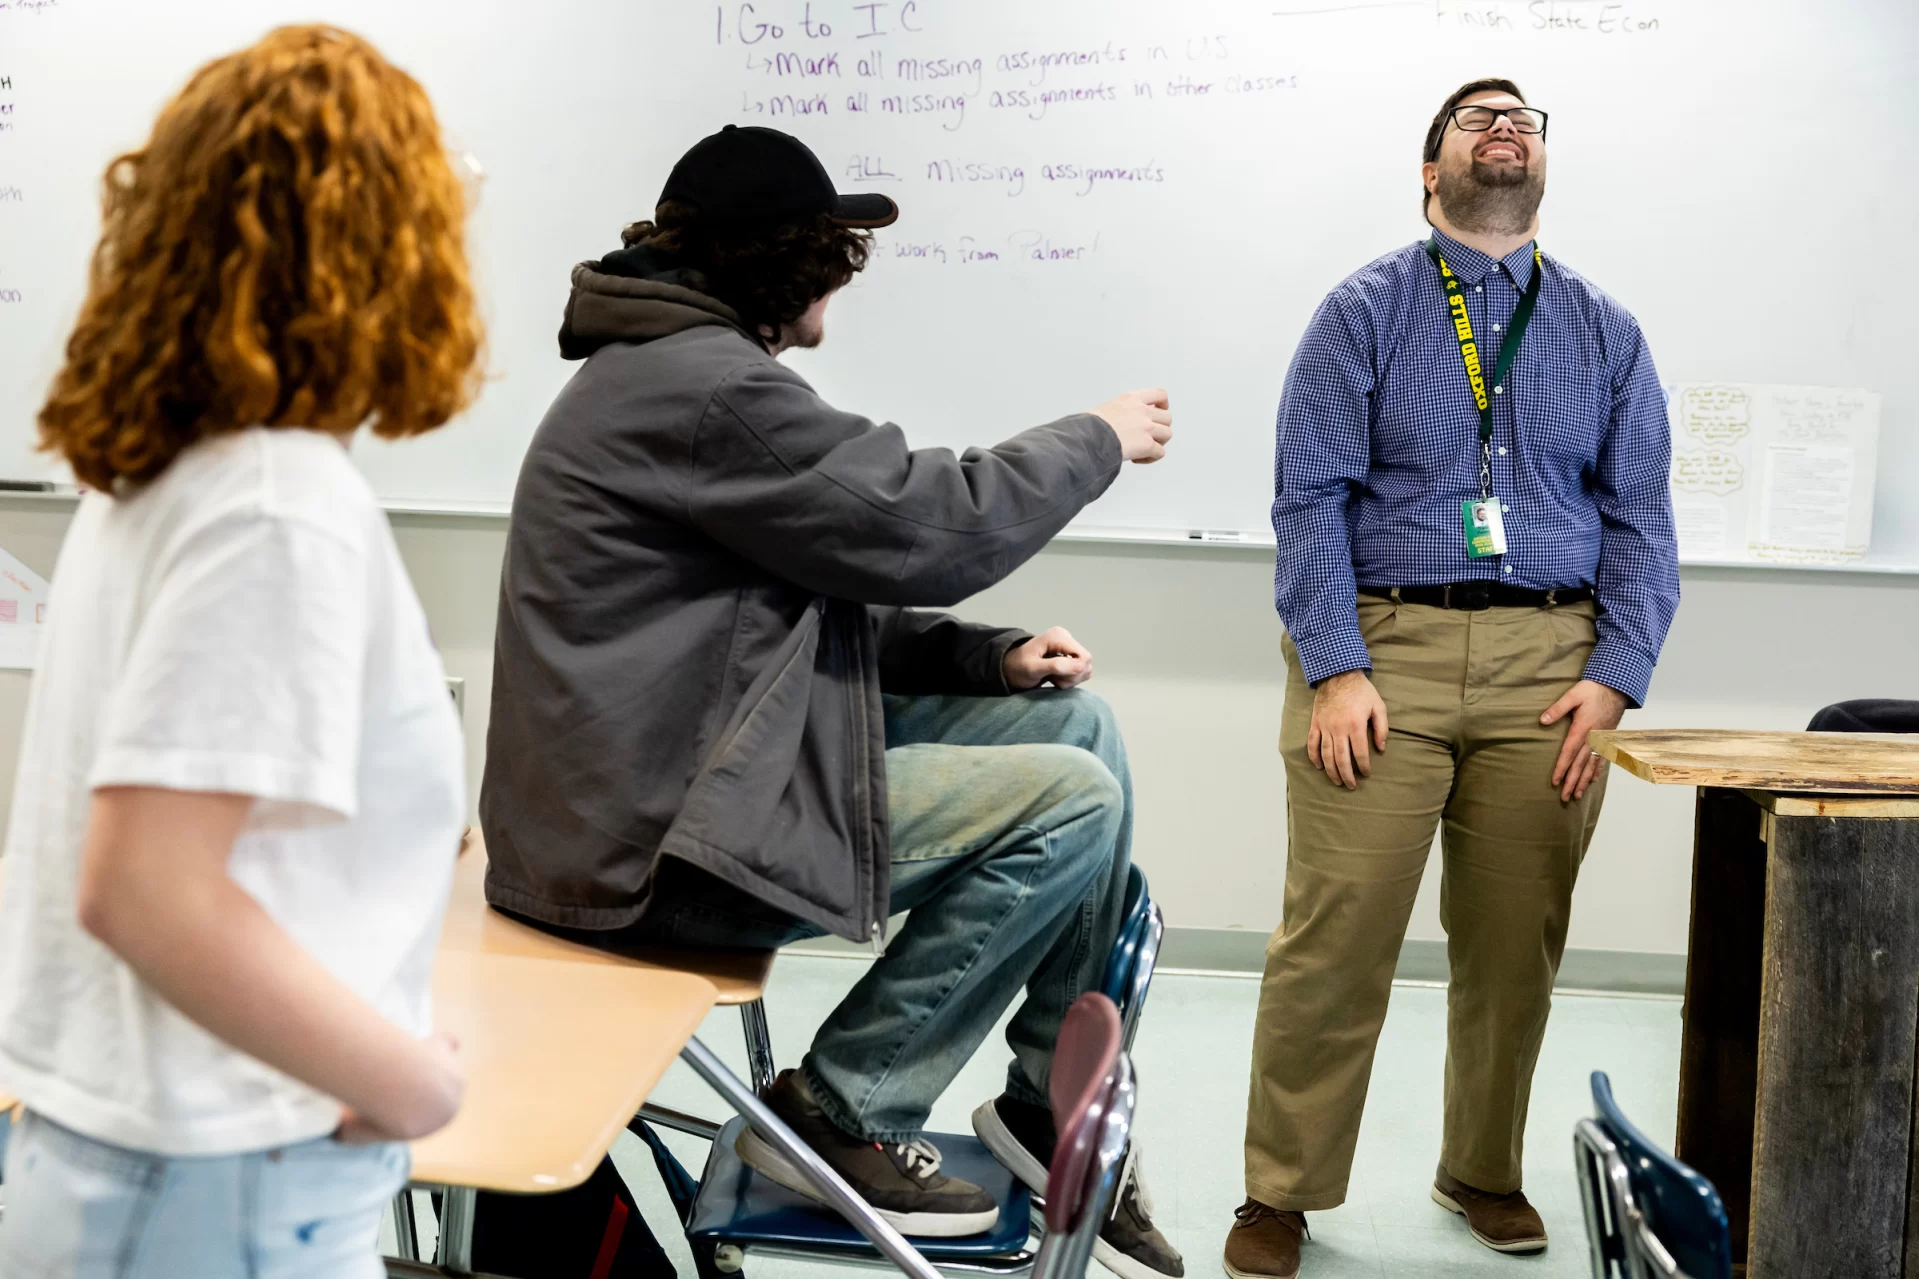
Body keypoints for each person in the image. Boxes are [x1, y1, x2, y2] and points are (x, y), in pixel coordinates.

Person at [479, 124, 1181, 1279]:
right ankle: (837, 1110)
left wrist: (989, 661)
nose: (841, 280)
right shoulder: (706, 391)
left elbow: (809, 596)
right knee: (1073, 799)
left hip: (662, 786)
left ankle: (1042, 1101)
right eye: (830, 254)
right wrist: (1095, 437)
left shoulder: (679, 376)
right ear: (786, 265)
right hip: (646, 854)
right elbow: (929, 523)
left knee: (1075, 725)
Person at [0, 26, 481, 1276]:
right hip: (219, 1172)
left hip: (162, 1158)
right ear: (386, 244)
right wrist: (414, 1086)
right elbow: (147, 888)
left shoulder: (162, 473)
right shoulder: (275, 497)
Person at [1226, 79, 1680, 1278]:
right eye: (1476, 118)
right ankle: (1280, 1190)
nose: (1504, 127)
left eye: (1524, 119)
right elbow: (1306, 499)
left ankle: (1479, 1167)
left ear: (1540, 166)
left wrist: (1615, 677)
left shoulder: (1603, 330)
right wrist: (1333, 668)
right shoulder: (1361, 312)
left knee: (1509, 945)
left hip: (1550, 664)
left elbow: (1640, 520)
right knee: (1335, 938)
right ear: (1428, 172)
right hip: (1384, 653)